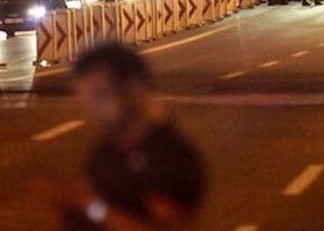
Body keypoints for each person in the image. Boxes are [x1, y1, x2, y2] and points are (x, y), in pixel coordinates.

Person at [40, 44, 204, 230]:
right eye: (87, 99)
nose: (93, 109)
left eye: (101, 96)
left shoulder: (172, 158)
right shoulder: (103, 154)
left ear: (135, 89)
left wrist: (90, 206)